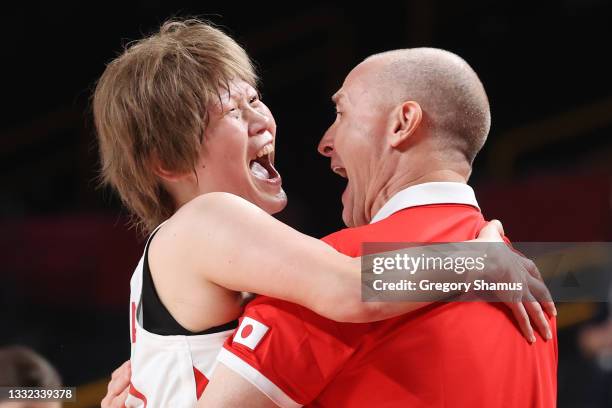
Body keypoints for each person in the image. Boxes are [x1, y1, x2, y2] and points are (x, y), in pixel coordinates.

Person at [95, 20, 554, 407]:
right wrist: (479, 260)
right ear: (169, 162)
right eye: (233, 112)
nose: (262, 120)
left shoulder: (199, 259)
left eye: (254, 99)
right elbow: (350, 287)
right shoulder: (207, 217)